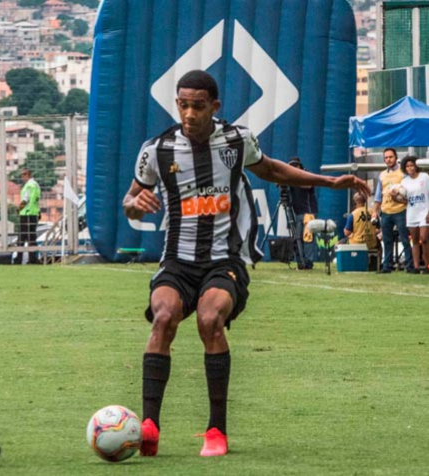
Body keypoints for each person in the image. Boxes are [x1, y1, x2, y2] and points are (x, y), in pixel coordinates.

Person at [122, 70, 369, 458]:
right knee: (164, 316)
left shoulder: (237, 141)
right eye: (183, 105)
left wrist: (326, 182)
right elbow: (131, 196)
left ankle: (216, 430)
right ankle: (149, 426)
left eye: (198, 106)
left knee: (209, 319)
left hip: (226, 260)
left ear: (214, 107)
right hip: (177, 260)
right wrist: (132, 204)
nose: (189, 113)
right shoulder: (157, 149)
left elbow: (271, 169)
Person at [372, 148, 413, 273]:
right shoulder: (382, 175)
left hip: (401, 210)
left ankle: (410, 265)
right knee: (387, 240)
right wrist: (375, 211)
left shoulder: (403, 172)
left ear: (396, 157)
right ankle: (387, 266)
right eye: (386, 158)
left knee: (405, 239)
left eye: (390, 157)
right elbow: (378, 196)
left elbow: (409, 191)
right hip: (386, 211)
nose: (388, 160)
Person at [397, 156, 429, 273]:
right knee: (415, 240)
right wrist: (395, 196)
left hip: (424, 212)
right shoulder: (404, 182)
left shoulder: (424, 177)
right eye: (407, 166)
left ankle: (427, 265)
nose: (410, 168)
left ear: (416, 166)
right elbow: (405, 200)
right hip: (412, 213)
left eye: (411, 165)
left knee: (424, 239)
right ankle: (415, 266)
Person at [286, 157, 318, 269]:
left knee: (307, 237)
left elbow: (308, 185)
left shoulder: (306, 174)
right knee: (297, 237)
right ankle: (300, 260)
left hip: (308, 212)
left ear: (299, 167)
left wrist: (291, 179)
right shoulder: (289, 177)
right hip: (297, 211)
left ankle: (308, 261)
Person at [16, 168, 41, 264]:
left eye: (24, 174)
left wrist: (18, 209)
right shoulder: (36, 185)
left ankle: (19, 259)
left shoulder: (29, 185)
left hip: (26, 214)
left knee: (22, 238)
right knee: (32, 238)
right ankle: (33, 259)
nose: (22, 177)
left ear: (28, 174)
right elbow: (36, 200)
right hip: (34, 213)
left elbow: (25, 199)